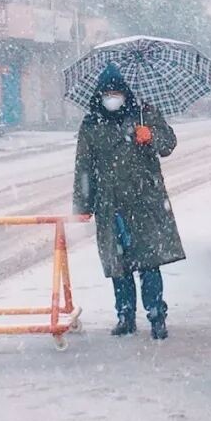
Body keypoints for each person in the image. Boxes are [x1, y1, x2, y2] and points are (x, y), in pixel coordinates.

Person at [73, 65, 185, 340]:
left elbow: (168, 144)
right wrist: (83, 205)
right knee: (118, 263)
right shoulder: (91, 125)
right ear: (99, 95)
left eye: (117, 92)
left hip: (144, 201)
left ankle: (156, 315)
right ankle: (125, 316)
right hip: (110, 205)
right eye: (107, 93)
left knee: (148, 261)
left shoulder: (144, 114)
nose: (112, 98)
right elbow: (84, 167)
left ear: (126, 93)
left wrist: (151, 136)